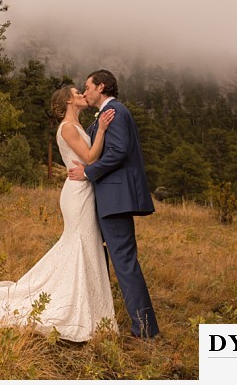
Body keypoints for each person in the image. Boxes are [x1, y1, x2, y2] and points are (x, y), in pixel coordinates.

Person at [0, 86, 117, 343]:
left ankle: (89, 307)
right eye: (77, 92)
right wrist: (101, 130)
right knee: (78, 242)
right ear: (67, 99)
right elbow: (89, 157)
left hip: (84, 189)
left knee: (85, 244)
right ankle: (68, 304)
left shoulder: (77, 125)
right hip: (77, 193)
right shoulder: (67, 127)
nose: (81, 94)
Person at [68, 69, 159, 339]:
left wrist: (87, 173)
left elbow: (118, 152)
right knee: (108, 259)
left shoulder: (116, 112)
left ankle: (145, 330)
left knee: (125, 262)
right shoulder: (105, 115)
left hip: (115, 199)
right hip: (106, 198)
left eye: (88, 86)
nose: (85, 92)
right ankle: (102, 315)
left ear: (102, 86)